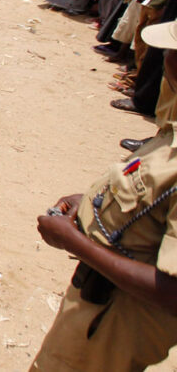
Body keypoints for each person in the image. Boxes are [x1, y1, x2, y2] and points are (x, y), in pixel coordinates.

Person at [31, 89, 177, 369]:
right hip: (97, 305)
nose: (165, 59)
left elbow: (172, 292)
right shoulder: (171, 132)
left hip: (116, 322)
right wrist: (89, 204)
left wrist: (74, 242)